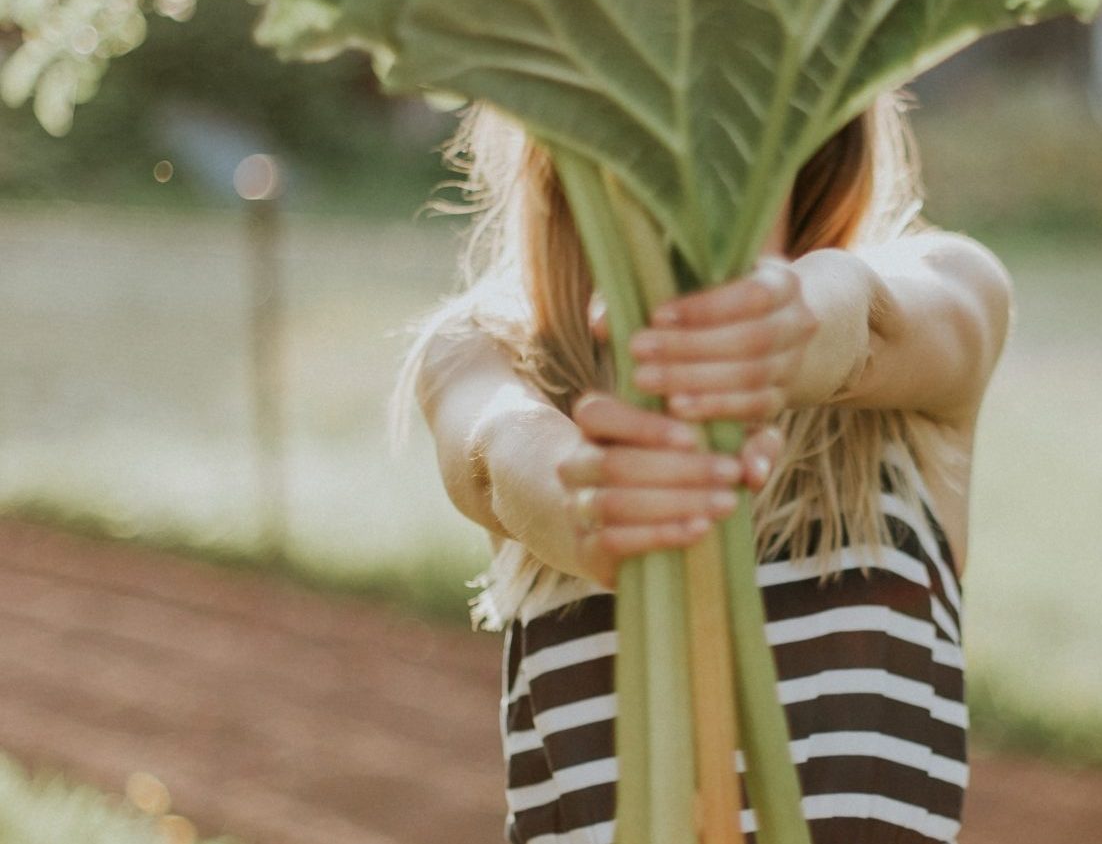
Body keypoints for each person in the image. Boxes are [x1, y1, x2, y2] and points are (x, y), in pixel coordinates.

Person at [398, 91, 1013, 843]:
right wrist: (590, 497)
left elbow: (875, 319)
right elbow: (495, 448)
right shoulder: (491, 353)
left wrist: (790, 322)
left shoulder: (942, 295)